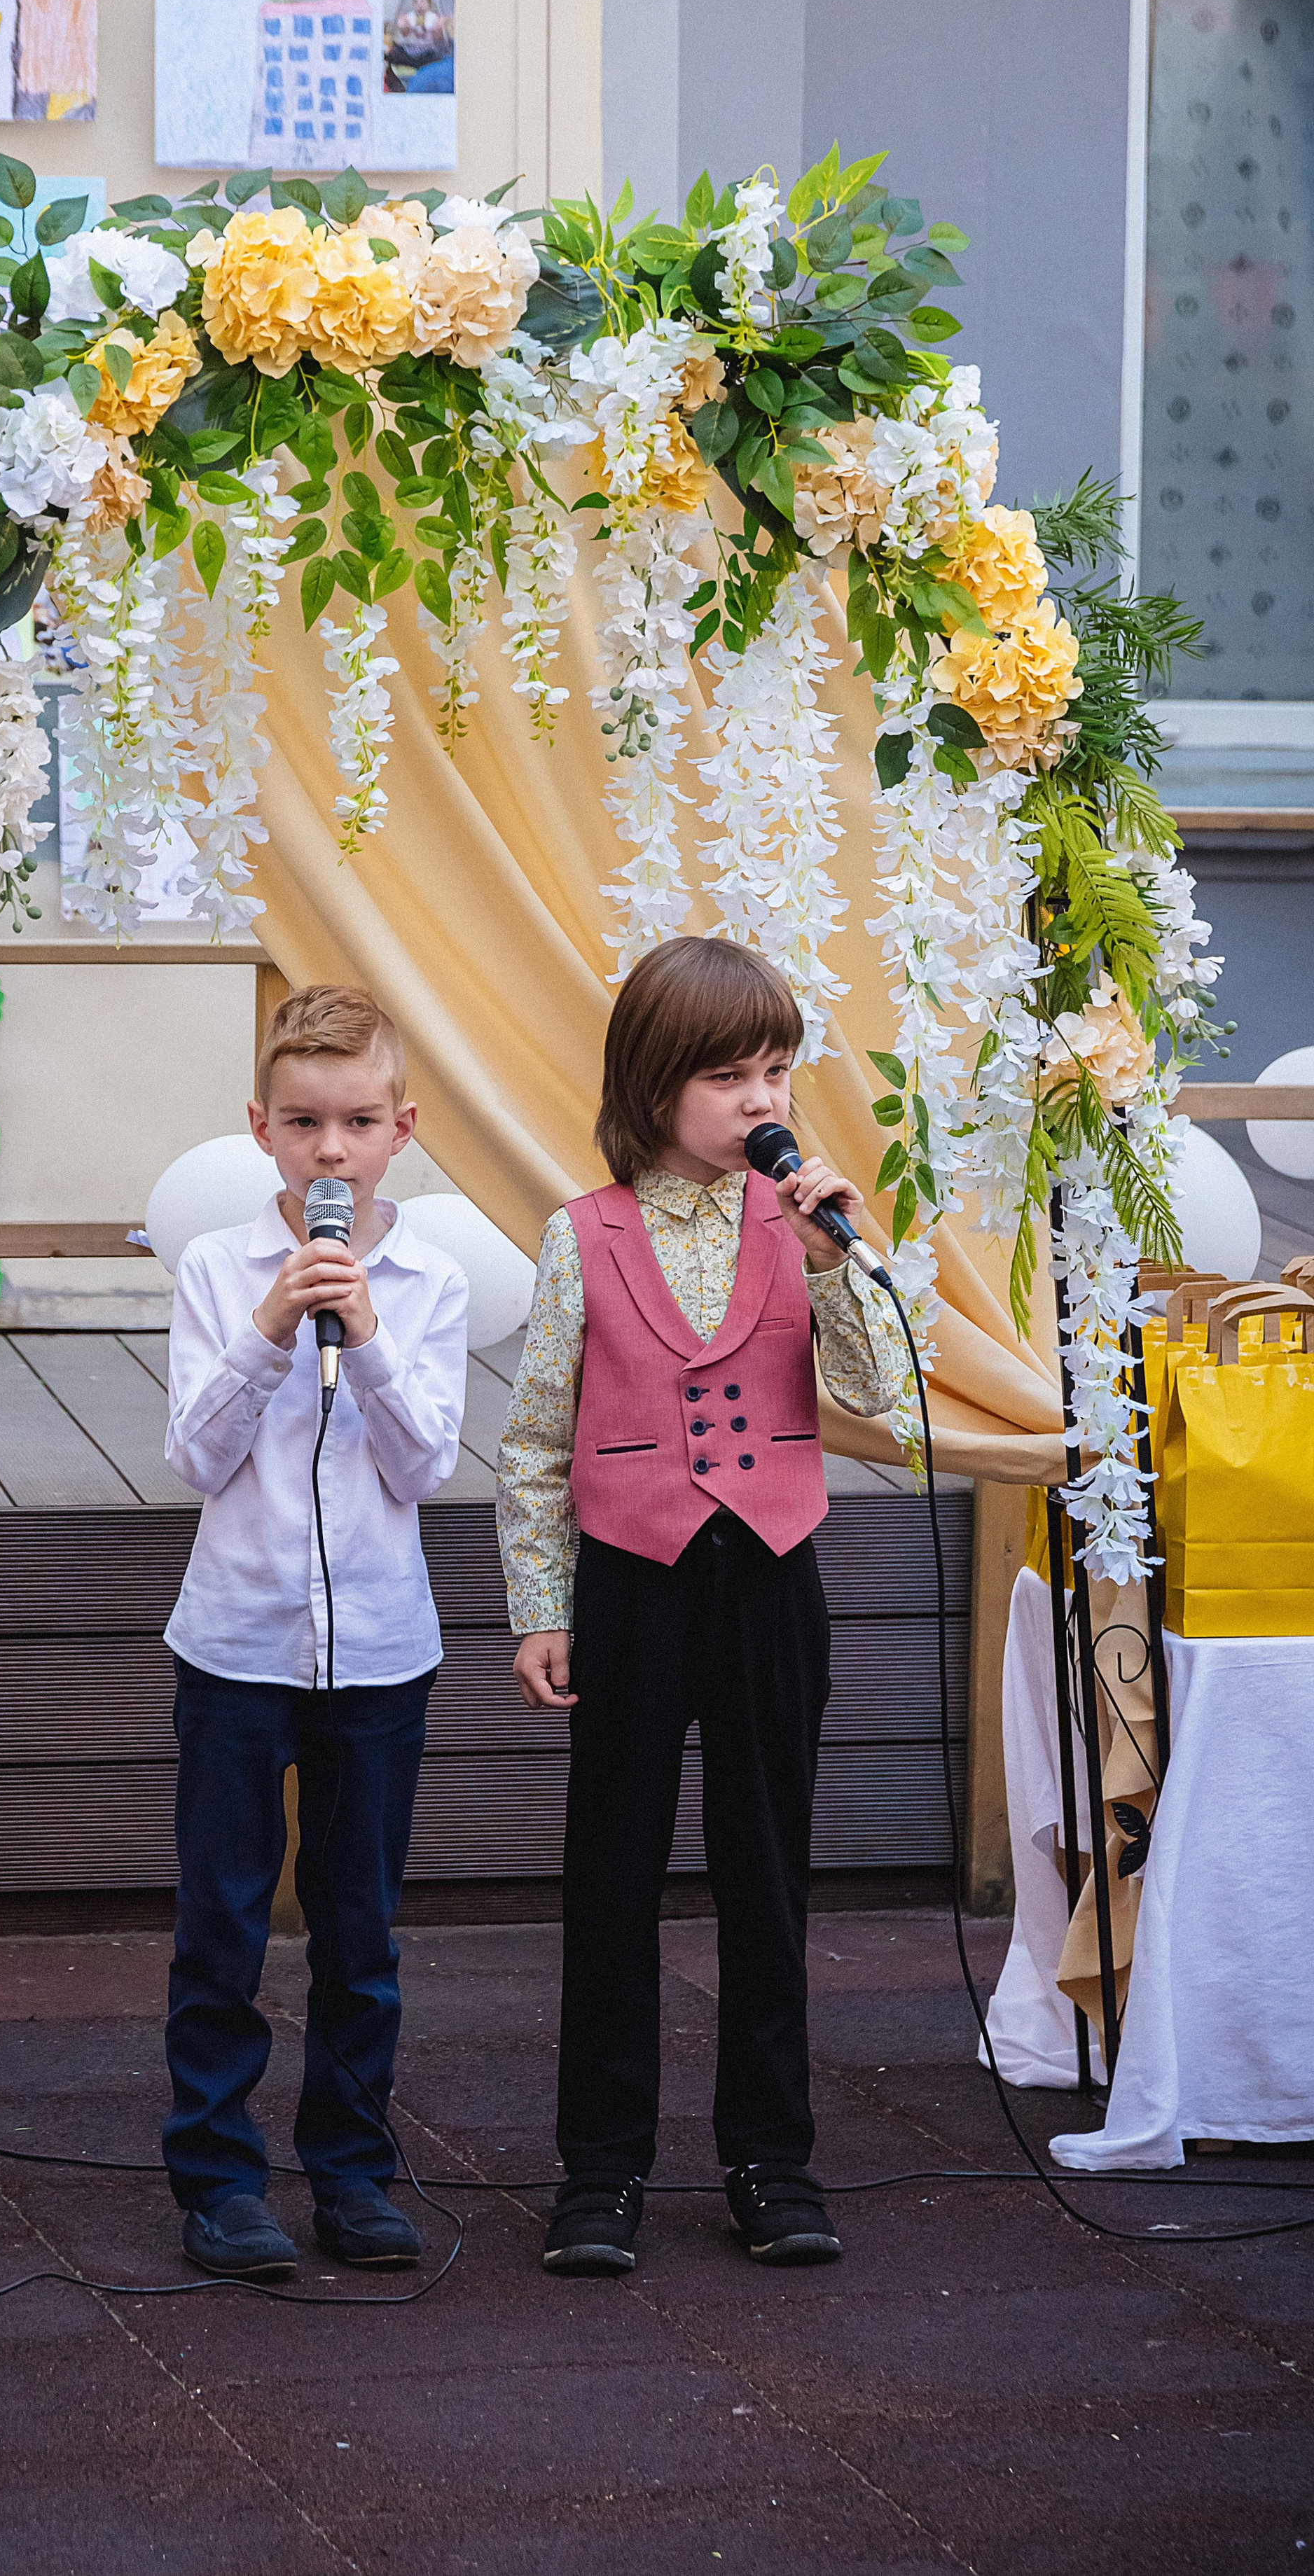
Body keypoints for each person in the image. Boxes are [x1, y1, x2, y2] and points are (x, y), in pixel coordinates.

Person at [495, 935, 904, 2275]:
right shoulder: (583, 1233)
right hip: (633, 1575)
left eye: (778, 1068)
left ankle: (771, 2161)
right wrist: (540, 1603)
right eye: (729, 1073)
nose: (760, 1098)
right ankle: (601, 2170)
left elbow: (886, 1391)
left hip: (772, 1574)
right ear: (655, 1082)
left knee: (767, 1871)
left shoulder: (807, 1224)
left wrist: (841, 1254)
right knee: (611, 1871)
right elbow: (536, 1441)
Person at [160, 984, 469, 2280]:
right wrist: (276, 1326)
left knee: (360, 1926)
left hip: (381, 1653)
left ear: (400, 1127)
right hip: (236, 1643)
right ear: (261, 1129)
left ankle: (351, 2170)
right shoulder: (218, 1269)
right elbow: (193, 1455)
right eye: (303, 1123)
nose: (330, 1149)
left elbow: (426, 1469)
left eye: (355, 1122)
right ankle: (221, 2177)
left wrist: (371, 1336)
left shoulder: (432, 1279)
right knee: (223, 1921)